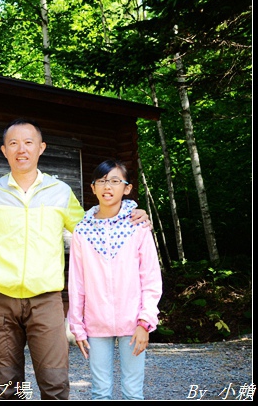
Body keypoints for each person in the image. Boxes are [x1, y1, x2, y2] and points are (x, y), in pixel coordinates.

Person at [0, 118, 149, 400]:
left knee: (54, 383)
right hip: (0, 297)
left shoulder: (59, 192)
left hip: (46, 299)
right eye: (13, 143)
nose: (21, 149)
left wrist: (133, 215)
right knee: (9, 387)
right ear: (4, 150)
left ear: (41, 148)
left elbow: (92, 227)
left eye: (28, 142)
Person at [67, 159, 162, 400]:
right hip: (96, 323)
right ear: (93, 188)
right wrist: (77, 326)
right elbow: (77, 282)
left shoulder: (137, 226)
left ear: (127, 188)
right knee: (100, 392)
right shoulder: (82, 231)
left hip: (134, 322)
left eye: (115, 181)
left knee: (132, 391)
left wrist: (145, 322)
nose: (107, 186)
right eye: (102, 181)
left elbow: (150, 278)